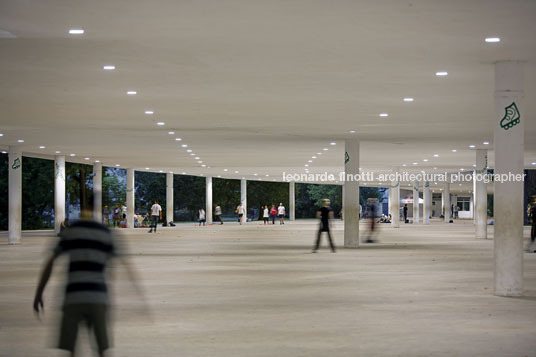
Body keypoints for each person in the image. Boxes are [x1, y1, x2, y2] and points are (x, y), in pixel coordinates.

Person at [32, 211, 143, 357]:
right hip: (98, 297)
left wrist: (39, 293)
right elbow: (123, 266)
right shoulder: (106, 233)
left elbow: (51, 262)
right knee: (101, 349)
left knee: (70, 348)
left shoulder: (71, 232)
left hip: (73, 297)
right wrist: (137, 295)